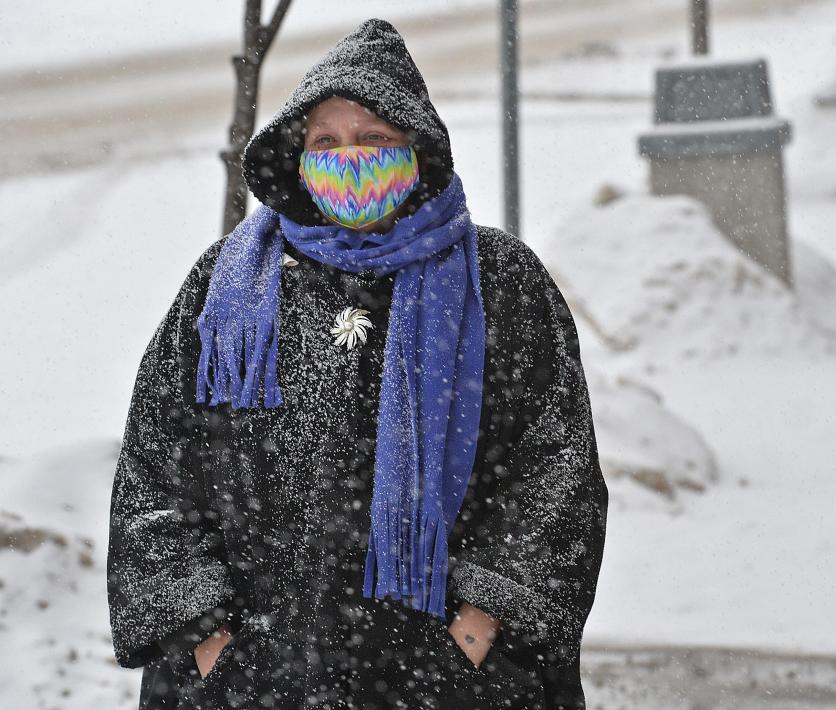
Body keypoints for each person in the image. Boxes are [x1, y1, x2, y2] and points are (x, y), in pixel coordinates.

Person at [106, 17, 608, 710]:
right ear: (298, 158)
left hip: (449, 682)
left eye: (375, 140)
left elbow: (554, 471)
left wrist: (482, 625)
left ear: (418, 151)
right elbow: (157, 470)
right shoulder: (226, 287)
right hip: (251, 681)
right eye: (327, 143)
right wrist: (205, 636)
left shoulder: (500, 282)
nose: (351, 159)